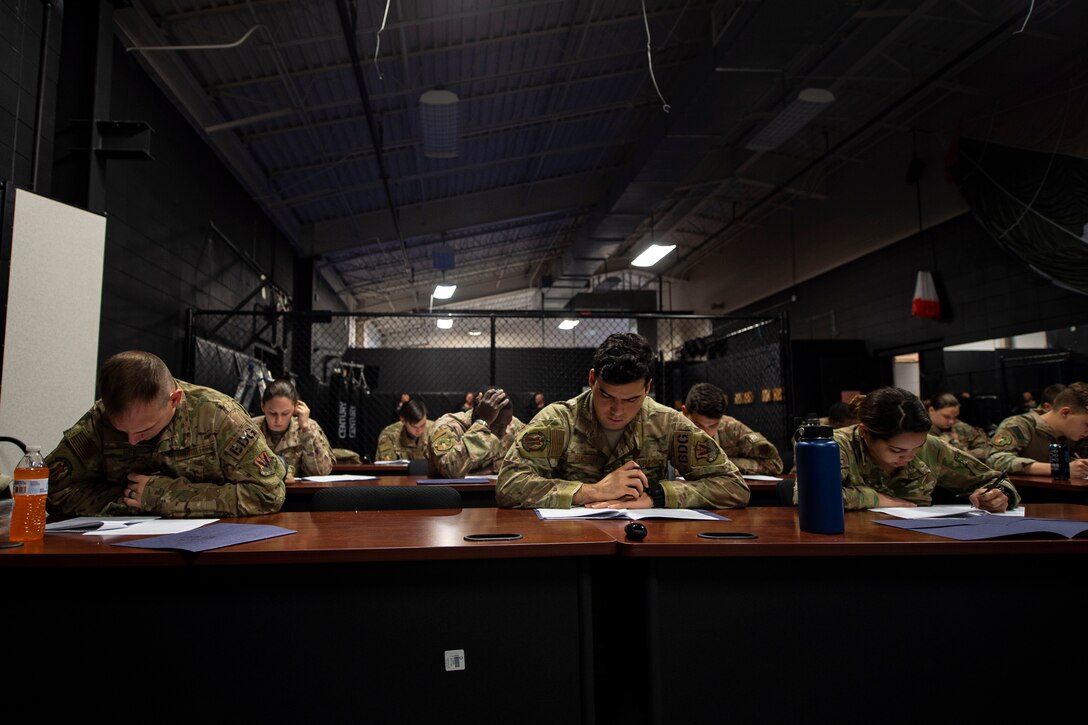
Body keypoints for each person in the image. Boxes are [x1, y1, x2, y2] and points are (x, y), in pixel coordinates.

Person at [496, 333, 749, 509]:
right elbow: (509, 485)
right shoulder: (559, 420)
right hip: (572, 544)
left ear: (648, 387)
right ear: (593, 380)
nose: (617, 410)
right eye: (606, 396)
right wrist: (593, 491)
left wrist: (658, 496)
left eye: (631, 400)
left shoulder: (666, 422)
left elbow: (733, 486)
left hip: (645, 548)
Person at [44, 350, 286, 518]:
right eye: (121, 430)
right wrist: (128, 500)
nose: (132, 440)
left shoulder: (218, 417)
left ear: (175, 400)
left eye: (144, 429)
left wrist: (163, 496)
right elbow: (50, 489)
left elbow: (268, 493)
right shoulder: (100, 419)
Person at [829, 387, 1016, 511]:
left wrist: (999, 496)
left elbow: (994, 479)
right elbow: (807, 496)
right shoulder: (833, 447)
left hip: (918, 544)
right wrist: (874, 498)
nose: (909, 456)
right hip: (852, 545)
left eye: (917, 447)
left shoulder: (932, 447)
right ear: (865, 433)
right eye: (897, 450)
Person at [987, 382, 1088, 476]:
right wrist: (1061, 468)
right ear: (1065, 413)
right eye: (1086, 424)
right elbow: (996, 460)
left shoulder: (1073, 435)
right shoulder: (1019, 425)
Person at [681, 382, 783, 475]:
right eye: (698, 425)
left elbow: (774, 464)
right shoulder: (669, 426)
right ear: (685, 412)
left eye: (712, 426)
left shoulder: (732, 429)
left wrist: (723, 464)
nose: (705, 433)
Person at [427, 387, 524, 477]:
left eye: (506, 426)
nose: (503, 433)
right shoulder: (447, 426)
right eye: (497, 427)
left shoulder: (509, 423)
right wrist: (482, 424)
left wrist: (492, 468)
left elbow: (529, 458)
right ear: (478, 414)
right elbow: (450, 471)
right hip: (449, 492)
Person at [252, 378, 334, 480]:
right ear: (262, 406)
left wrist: (305, 429)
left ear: (296, 408)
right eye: (272, 413)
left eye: (285, 413)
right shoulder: (250, 428)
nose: (279, 420)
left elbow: (321, 473)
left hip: (297, 493)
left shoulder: (308, 427)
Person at [925, 392, 991, 462]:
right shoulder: (920, 431)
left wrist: (963, 453)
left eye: (955, 417)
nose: (951, 421)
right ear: (931, 410)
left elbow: (986, 449)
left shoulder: (961, 427)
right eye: (946, 417)